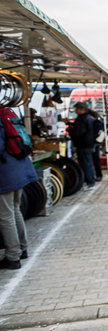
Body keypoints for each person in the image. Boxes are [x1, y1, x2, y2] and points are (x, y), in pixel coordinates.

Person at [0, 108, 38, 269]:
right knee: (14, 209)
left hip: (5, 172)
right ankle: (22, 249)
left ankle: (12, 256)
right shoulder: (7, 115)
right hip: (19, 169)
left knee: (5, 215)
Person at [71, 102, 96, 190]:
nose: (75, 111)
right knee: (88, 163)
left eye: (76, 109)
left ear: (82, 109)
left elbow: (80, 132)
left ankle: (89, 182)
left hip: (84, 144)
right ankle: (90, 181)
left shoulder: (84, 118)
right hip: (87, 144)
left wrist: (71, 131)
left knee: (86, 164)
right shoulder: (87, 118)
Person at [92, 113, 104, 182]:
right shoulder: (97, 122)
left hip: (94, 143)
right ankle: (98, 175)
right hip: (95, 143)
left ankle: (98, 175)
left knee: (95, 159)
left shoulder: (95, 122)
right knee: (96, 160)